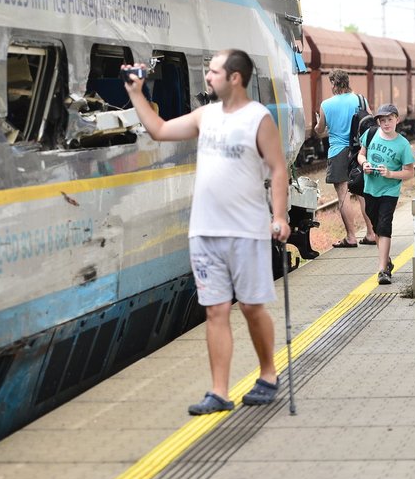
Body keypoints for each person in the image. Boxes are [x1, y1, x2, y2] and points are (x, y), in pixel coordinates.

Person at [121, 49, 290, 415]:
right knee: (216, 311)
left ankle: (268, 374)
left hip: (246, 231)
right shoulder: (205, 115)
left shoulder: (258, 119)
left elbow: (278, 169)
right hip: (204, 231)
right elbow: (160, 130)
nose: (207, 77)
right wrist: (136, 93)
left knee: (250, 306)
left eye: (213, 72)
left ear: (235, 78)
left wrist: (280, 215)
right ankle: (218, 391)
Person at [313, 69, 377, 248]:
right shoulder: (360, 99)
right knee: (362, 192)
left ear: (333, 84)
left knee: (343, 194)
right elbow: (370, 123)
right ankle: (371, 234)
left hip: (338, 152)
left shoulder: (326, 105)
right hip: (359, 151)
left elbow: (319, 130)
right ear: (347, 82)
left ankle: (351, 237)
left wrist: (319, 121)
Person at [356, 103, 414, 285]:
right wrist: (364, 163)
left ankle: (382, 270)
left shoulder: (403, 145)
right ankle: (386, 260)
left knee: (384, 225)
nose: (386, 123)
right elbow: (361, 154)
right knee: (375, 228)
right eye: (383, 120)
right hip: (370, 188)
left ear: (397, 119)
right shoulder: (371, 134)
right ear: (378, 122)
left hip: (390, 191)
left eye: (390, 119)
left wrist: (390, 174)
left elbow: (409, 172)